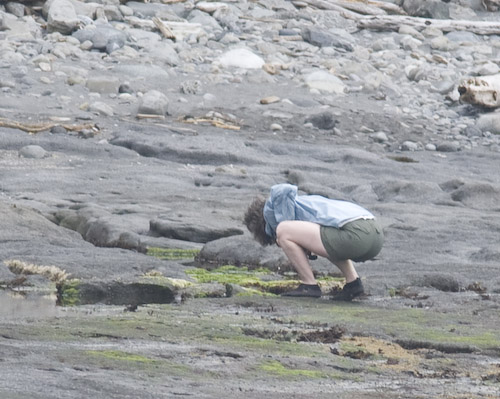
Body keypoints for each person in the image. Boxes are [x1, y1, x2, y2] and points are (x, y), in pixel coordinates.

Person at [243, 183, 384, 300]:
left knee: (283, 230)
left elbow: (283, 189)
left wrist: (282, 225)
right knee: (327, 238)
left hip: (356, 234)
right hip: (375, 234)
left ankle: (309, 285)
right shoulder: (304, 205)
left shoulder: (274, 208)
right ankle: (353, 284)